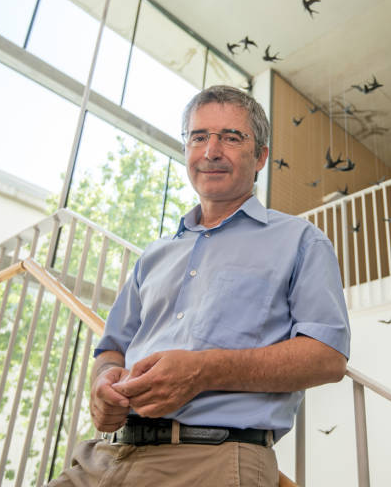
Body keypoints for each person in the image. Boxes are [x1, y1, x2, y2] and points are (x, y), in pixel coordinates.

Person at [50, 85, 350, 486]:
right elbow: (112, 349)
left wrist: (203, 371)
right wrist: (103, 383)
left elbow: (327, 358)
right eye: (198, 137)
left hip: (212, 461)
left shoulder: (301, 240)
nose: (211, 151)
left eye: (231, 137)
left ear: (260, 156)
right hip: (102, 457)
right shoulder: (154, 255)